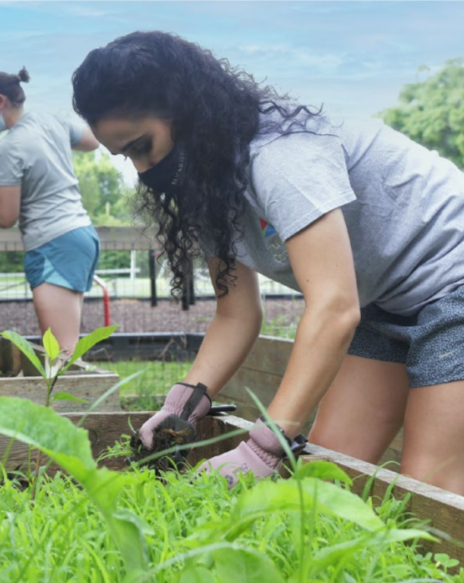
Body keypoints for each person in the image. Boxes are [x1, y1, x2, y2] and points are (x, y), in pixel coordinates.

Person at [71, 32, 464, 494]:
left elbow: (335, 308)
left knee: (431, 491)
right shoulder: (209, 187)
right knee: (324, 481)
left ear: (184, 110)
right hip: (385, 303)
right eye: (125, 156)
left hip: (452, 280)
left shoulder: (280, 156)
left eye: (142, 146)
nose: (141, 170)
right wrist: (182, 406)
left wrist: (265, 445)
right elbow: (237, 313)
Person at [0, 67, 102, 356]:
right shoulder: (49, 120)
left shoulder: (9, 146)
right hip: (80, 234)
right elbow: (93, 141)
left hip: (52, 242)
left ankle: (66, 402)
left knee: (60, 355)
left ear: (0, 101)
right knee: (65, 348)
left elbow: (7, 217)